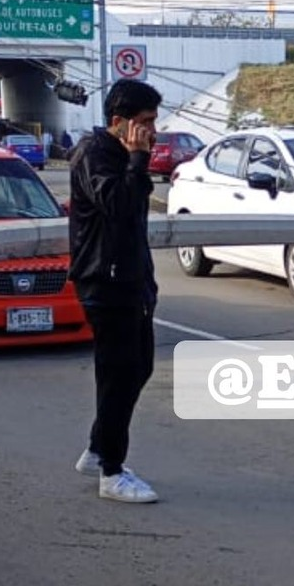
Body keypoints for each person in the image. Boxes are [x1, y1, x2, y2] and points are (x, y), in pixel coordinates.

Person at [69, 79, 162, 504]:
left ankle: (97, 449)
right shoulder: (95, 154)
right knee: (118, 375)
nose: (152, 131)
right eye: (145, 122)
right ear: (119, 121)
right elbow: (119, 206)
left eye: (154, 121)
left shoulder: (124, 154)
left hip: (131, 279)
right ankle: (111, 472)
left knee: (138, 368)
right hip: (104, 282)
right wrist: (138, 158)